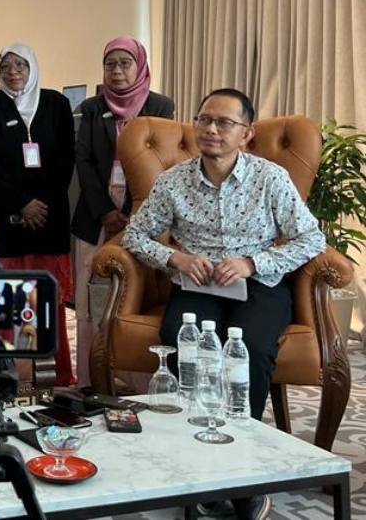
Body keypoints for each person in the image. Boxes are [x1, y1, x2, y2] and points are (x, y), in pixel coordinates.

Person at [123, 88, 325, 520]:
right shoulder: (174, 182)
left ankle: (241, 470)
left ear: (247, 134)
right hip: (197, 287)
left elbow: (312, 238)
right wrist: (174, 257)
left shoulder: (271, 178)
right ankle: (196, 459)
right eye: (204, 120)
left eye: (224, 123)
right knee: (181, 344)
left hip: (259, 285)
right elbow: (134, 236)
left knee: (250, 350)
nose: (210, 130)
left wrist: (254, 262)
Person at [70, 36, 174, 383]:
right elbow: (83, 160)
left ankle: (135, 383)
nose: (116, 71)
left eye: (124, 63)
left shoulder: (160, 107)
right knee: (91, 297)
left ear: (140, 66)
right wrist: (104, 212)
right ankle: (91, 380)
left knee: (134, 297)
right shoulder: (91, 107)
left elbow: (162, 163)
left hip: (144, 210)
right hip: (95, 212)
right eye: (110, 64)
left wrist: (133, 214)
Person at [0, 43, 76, 386]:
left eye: (20, 65)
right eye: (6, 66)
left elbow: (65, 158)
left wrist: (40, 203)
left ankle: (53, 374)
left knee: (46, 299)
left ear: (32, 68)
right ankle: (12, 377)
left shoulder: (56, 104)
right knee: (9, 299)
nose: (13, 72)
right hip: (6, 218)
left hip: (49, 218)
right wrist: (20, 203)